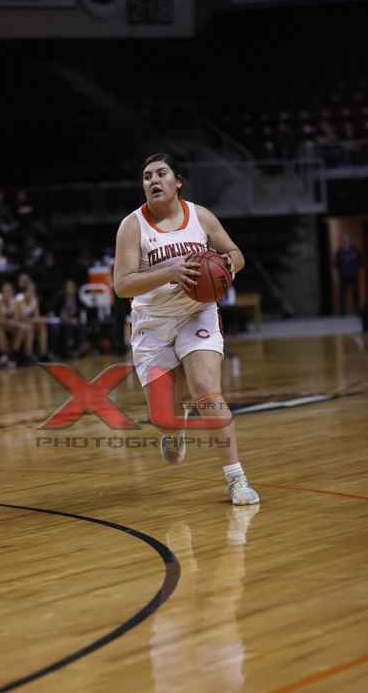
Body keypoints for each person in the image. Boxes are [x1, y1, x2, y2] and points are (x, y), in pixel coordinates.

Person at [114, 153, 259, 506]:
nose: (153, 180)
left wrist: (225, 264)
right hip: (152, 322)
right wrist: (170, 272)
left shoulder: (201, 216)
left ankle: (236, 479)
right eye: (147, 176)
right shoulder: (132, 225)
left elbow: (236, 254)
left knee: (206, 390)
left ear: (177, 181)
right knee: (163, 417)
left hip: (197, 313)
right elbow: (122, 285)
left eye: (161, 173)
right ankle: (173, 426)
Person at [334, 233, 364, 315]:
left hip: (354, 275)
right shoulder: (339, 252)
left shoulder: (356, 251)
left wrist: (356, 269)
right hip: (343, 276)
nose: (346, 242)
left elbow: (361, 261)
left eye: (347, 240)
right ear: (342, 242)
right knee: (342, 294)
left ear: (351, 241)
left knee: (356, 294)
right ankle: (342, 312)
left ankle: (357, 311)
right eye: (344, 240)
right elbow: (336, 263)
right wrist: (340, 270)